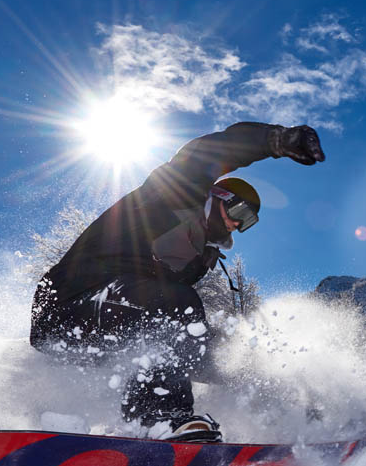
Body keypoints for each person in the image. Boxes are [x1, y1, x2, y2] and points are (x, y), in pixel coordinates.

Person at [30, 121, 324, 442]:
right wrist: (275, 141)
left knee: (230, 357)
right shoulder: (173, 196)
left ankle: (302, 424)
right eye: (238, 211)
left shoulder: (199, 258)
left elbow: (183, 341)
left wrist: (250, 370)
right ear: (218, 196)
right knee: (177, 304)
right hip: (69, 305)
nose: (238, 224)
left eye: (248, 222)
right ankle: (158, 418)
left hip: (116, 325)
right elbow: (204, 154)